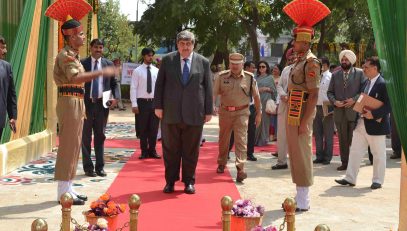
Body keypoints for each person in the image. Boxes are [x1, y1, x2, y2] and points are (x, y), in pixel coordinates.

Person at [45, 1, 118, 205]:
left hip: (76, 101)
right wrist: (102, 72)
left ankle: (69, 189)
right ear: (70, 35)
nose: (83, 37)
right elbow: (76, 78)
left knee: (75, 146)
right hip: (69, 101)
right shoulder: (65, 56)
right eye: (80, 34)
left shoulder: (74, 56)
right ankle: (62, 193)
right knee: (68, 146)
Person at [282, 0, 330, 211]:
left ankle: (304, 198)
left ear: (304, 41)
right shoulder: (298, 61)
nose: (293, 44)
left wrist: (305, 121)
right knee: (295, 151)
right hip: (293, 108)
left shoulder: (312, 63)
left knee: (301, 152)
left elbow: (313, 95)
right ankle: (299, 191)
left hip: (301, 110)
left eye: (296, 41)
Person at [154, 30, 213, 194]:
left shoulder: (203, 62)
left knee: (191, 150)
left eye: (189, 43)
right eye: (182, 43)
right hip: (170, 113)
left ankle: (189, 181)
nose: (185, 47)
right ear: (177, 44)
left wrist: (208, 110)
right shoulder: (168, 60)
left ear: (193, 45)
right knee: (170, 150)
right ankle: (170, 182)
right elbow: (159, 85)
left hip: (195, 113)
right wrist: (158, 106)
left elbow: (208, 87)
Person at [335, 56, 391, 190]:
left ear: (375, 68)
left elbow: (389, 106)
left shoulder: (383, 84)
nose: (364, 69)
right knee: (355, 151)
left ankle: (377, 180)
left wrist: (374, 114)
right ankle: (350, 178)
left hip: (376, 124)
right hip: (361, 122)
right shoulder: (366, 83)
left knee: (378, 153)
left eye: (366, 67)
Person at [214, 53, 261, 182]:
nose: (235, 66)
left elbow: (256, 97)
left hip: (242, 112)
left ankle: (240, 169)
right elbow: (213, 94)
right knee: (224, 139)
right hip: (225, 112)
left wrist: (259, 113)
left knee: (241, 140)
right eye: (233, 64)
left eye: (237, 64)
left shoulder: (249, 78)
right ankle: (222, 162)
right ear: (229, 64)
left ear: (242, 64)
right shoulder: (221, 77)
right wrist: (211, 107)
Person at [81, 39, 117, 178]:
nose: (98, 50)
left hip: (103, 104)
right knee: (85, 137)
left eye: (101, 48)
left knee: (100, 136)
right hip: (86, 104)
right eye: (96, 47)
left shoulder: (108, 64)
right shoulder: (83, 64)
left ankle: (100, 167)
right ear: (91, 48)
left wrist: (116, 96)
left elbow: (115, 83)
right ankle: (88, 167)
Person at [327, 50, 365, 171]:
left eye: (346, 60)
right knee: (342, 139)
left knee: (354, 139)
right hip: (339, 112)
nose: (344, 62)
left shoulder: (360, 73)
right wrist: (334, 101)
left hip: (353, 111)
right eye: (342, 60)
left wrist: (354, 100)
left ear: (351, 61)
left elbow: (363, 91)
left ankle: (354, 164)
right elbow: (329, 92)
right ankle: (345, 163)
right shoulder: (335, 74)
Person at [130, 47, 161, 159]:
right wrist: (134, 104)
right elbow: (133, 88)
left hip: (154, 102)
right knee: (143, 128)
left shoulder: (157, 71)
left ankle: (152, 150)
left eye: (152, 55)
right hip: (142, 103)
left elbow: (159, 88)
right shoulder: (137, 71)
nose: (150, 57)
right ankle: (144, 151)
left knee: (154, 128)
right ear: (144, 56)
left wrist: (160, 104)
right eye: (148, 55)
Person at [228, 60, 258, 161]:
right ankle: (227, 152)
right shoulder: (236, 78)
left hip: (251, 107)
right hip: (238, 108)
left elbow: (256, 95)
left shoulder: (253, 78)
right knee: (233, 131)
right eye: (252, 67)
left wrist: (259, 110)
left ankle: (250, 153)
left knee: (251, 131)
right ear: (245, 67)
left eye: (254, 67)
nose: (254, 69)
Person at [272, 48, 295, 170]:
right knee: (281, 134)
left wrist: (291, 96)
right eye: (289, 58)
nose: (291, 60)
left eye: (293, 57)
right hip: (283, 103)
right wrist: (283, 95)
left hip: (297, 105)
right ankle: (281, 162)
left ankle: (297, 162)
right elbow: (280, 85)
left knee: (295, 135)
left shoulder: (303, 68)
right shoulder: (285, 69)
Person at [313, 56, 334, 165]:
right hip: (316, 106)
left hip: (327, 106)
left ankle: (327, 157)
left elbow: (334, 92)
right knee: (317, 133)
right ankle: (319, 155)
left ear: (326, 65)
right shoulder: (316, 76)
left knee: (328, 133)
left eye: (320, 64)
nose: (317, 67)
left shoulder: (331, 77)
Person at [254, 61, 276, 146]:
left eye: (263, 67)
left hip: (266, 100)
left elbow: (274, 91)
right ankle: (255, 140)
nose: (261, 68)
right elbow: (252, 89)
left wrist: (266, 89)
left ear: (266, 68)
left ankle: (263, 140)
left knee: (265, 121)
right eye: (259, 67)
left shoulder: (270, 78)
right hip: (257, 101)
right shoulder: (255, 77)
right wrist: (259, 90)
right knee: (256, 120)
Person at [0, 36, 17, 140]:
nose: (5, 51)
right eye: (2, 47)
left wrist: (13, 116)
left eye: (5, 47)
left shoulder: (7, 67)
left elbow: (11, 93)